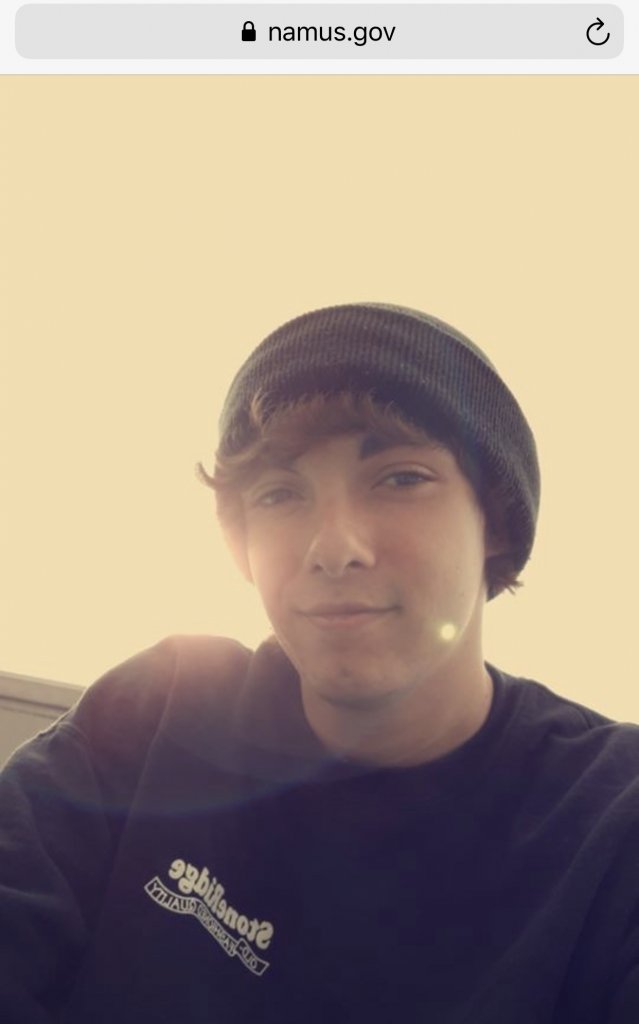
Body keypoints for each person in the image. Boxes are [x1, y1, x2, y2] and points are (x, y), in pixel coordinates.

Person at [1, 302, 638, 1023]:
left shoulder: (611, 818)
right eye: (280, 493)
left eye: (400, 479)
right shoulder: (155, 712)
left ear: (493, 519)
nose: (333, 548)